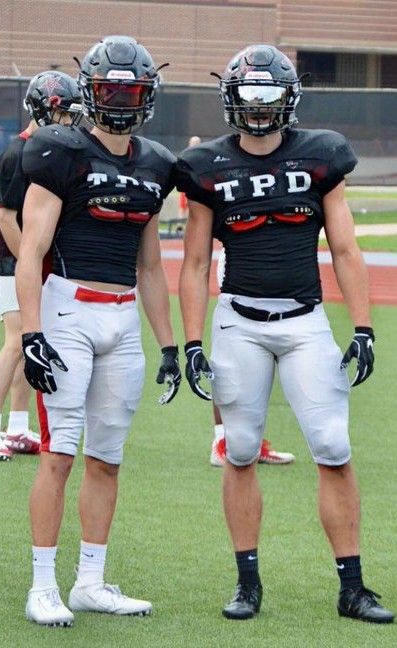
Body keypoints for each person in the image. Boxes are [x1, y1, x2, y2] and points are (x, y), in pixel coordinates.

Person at [177, 45, 394, 623]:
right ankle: (247, 584)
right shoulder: (208, 167)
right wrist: (193, 340)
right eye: (248, 96)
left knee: (333, 446)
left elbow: (345, 247)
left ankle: (354, 587)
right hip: (239, 322)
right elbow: (194, 262)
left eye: (268, 96)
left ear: (288, 100)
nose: (257, 107)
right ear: (231, 99)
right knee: (241, 450)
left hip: (304, 321)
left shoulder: (321, 156)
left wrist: (365, 326)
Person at [16, 36, 180, 627]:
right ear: (90, 90)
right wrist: (31, 333)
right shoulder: (58, 149)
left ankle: (89, 581)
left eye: (131, 90)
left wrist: (169, 343)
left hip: (124, 315)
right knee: (59, 452)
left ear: (147, 96)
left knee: (106, 458)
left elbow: (152, 266)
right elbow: (30, 252)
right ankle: (42, 585)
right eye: (110, 88)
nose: (119, 100)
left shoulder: (156, 163)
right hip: (67, 309)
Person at [0, 71, 82, 461]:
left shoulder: (47, 150)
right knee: (15, 341)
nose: (71, 122)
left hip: (28, 263)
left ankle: (17, 425)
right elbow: (6, 219)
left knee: (29, 345)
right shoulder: (16, 154)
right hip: (11, 261)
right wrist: (30, 267)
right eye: (65, 114)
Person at [211, 248, 295, 467]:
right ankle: (221, 441)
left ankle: (251, 443)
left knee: (261, 358)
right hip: (241, 256)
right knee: (233, 352)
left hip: (281, 258)